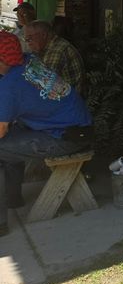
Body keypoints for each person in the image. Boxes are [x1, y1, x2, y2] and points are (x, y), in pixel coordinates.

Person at [0, 31, 92, 237]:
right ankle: (12, 198)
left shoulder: (8, 87)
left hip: (66, 138)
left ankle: (1, 222)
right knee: (12, 134)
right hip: (79, 127)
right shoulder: (29, 61)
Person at [24, 20, 86, 97]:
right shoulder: (49, 47)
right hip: (64, 97)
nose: (28, 42)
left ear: (43, 35)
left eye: (29, 38)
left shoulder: (56, 51)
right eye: (26, 39)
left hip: (69, 100)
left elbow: (43, 84)